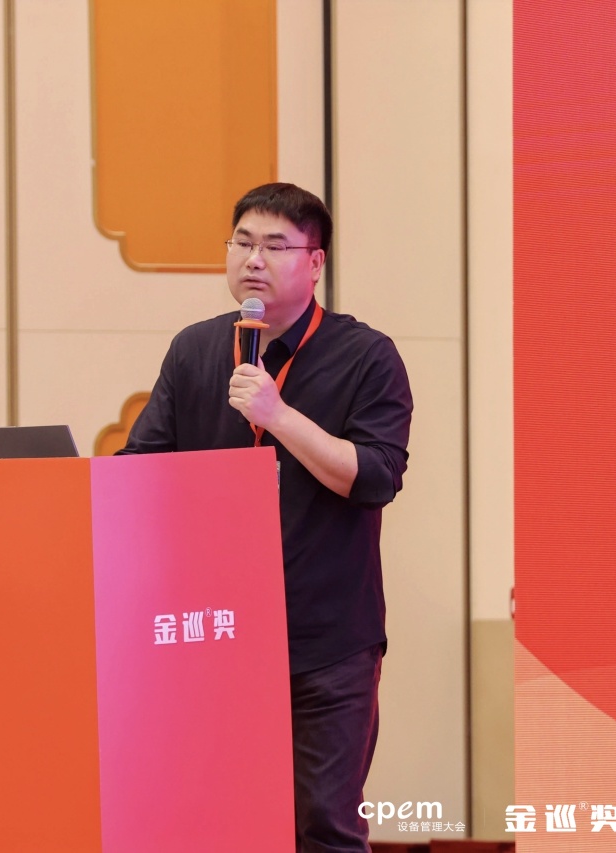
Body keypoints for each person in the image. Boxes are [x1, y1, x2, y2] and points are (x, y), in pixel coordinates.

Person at [118, 182, 413, 852]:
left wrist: (277, 416)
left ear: (316, 262)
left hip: (325, 640)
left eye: (276, 246)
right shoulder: (195, 350)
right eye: (243, 242)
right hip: (213, 634)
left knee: (323, 826)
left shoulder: (366, 357)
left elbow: (375, 475)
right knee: (216, 822)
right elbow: (142, 468)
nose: (254, 259)